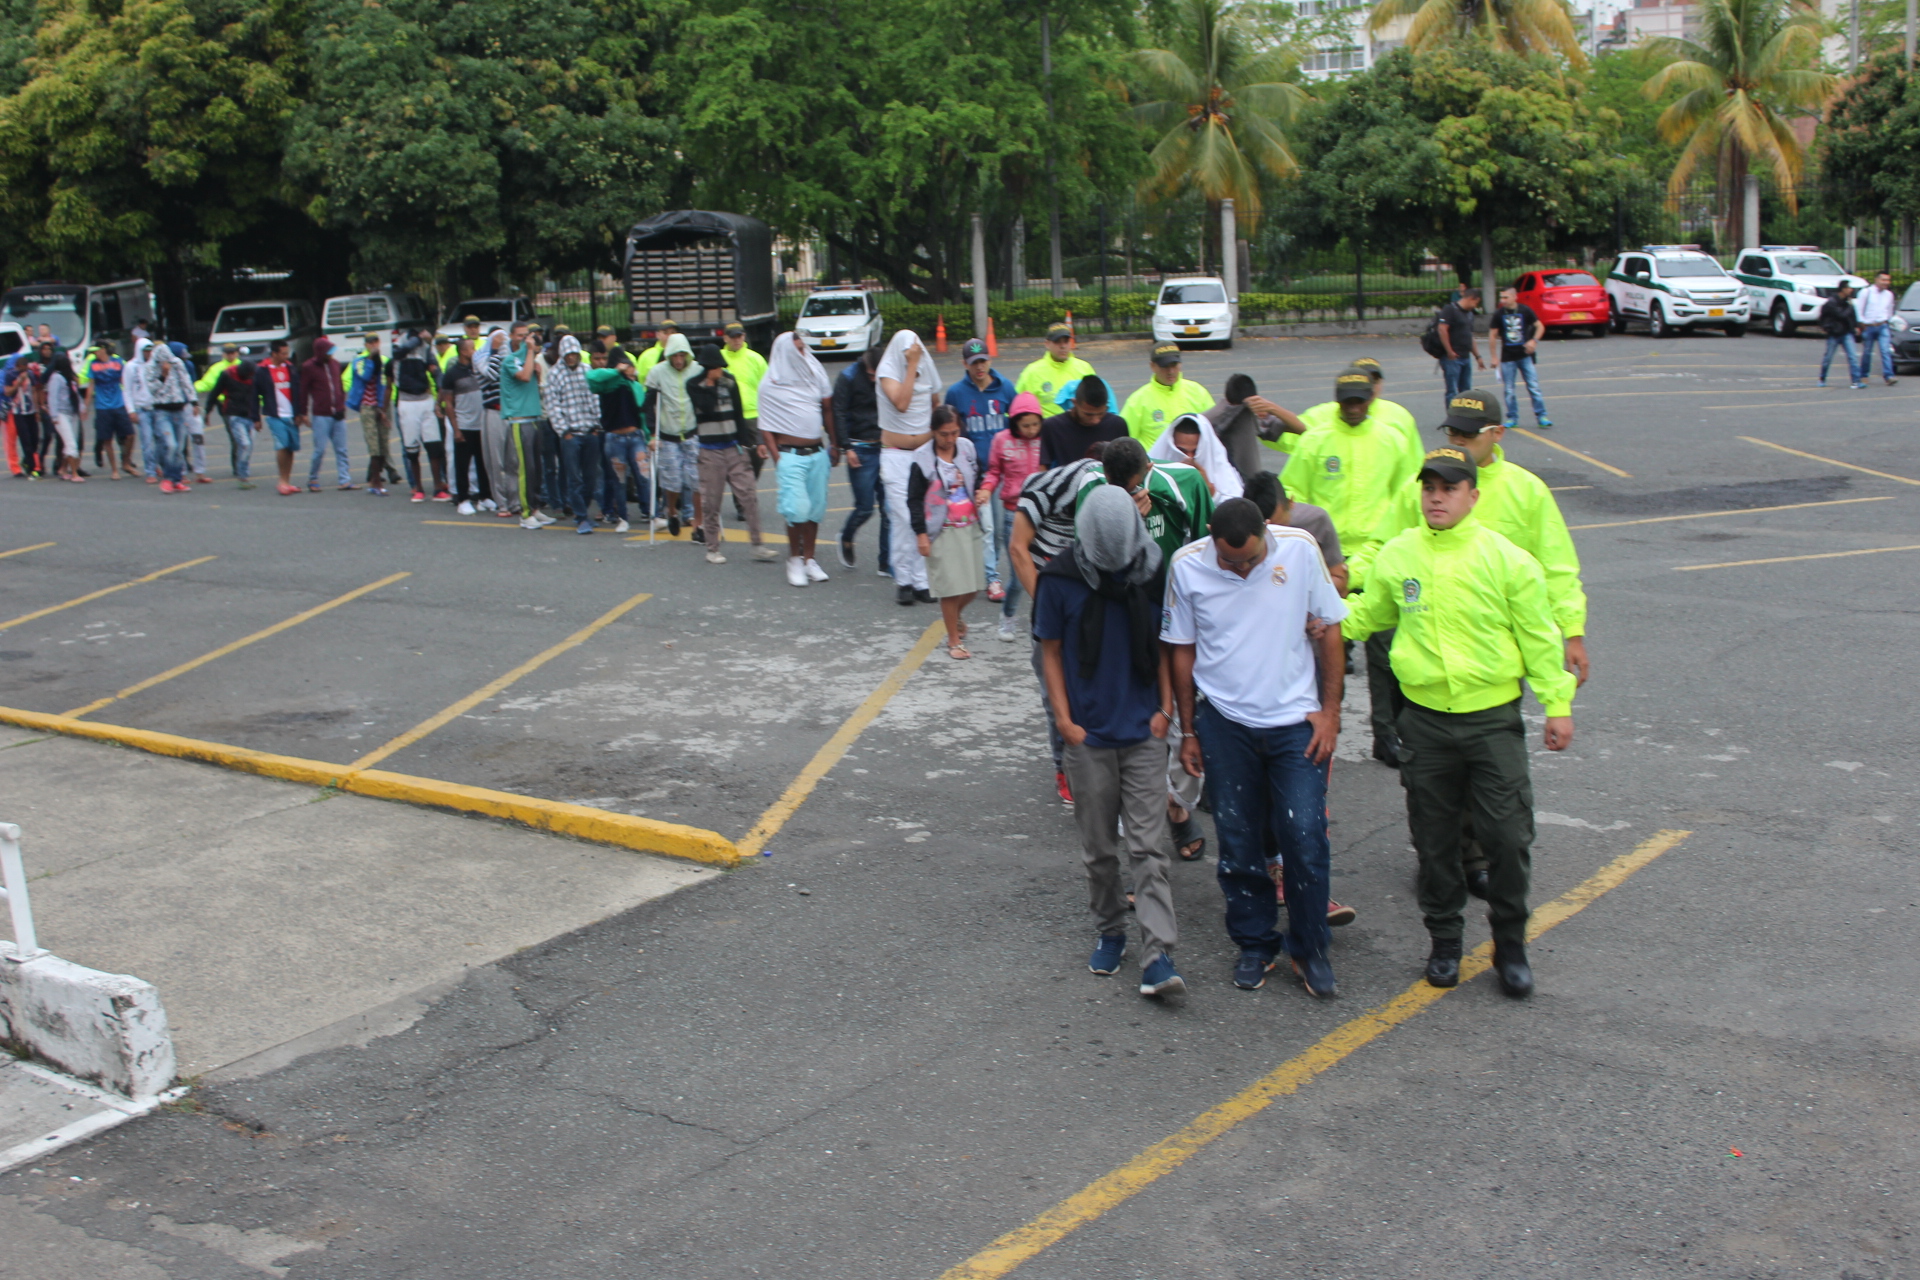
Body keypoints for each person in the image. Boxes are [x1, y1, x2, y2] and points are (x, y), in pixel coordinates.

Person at [1340, 447, 1576, 998]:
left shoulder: (1507, 560)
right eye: (1428, 488)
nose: (1436, 497)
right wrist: (1314, 619)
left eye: (1448, 488)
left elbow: (1539, 637)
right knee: (1434, 839)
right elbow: (1366, 616)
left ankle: (1510, 944)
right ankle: (1444, 941)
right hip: (1423, 722)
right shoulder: (1400, 555)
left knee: (1508, 836)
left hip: (1491, 722)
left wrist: (1557, 703)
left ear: (1473, 494)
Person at [1164, 498, 1348, 997]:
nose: (1243, 569)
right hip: (1225, 723)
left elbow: (1330, 628)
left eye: (1251, 559)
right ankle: (1254, 943)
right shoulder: (1186, 567)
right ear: (1211, 538)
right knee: (1239, 841)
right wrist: (1189, 731)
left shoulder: (1300, 549)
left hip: (1295, 725)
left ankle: (1309, 950)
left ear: (1266, 532)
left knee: (1305, 836)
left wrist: (1330, 713)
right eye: (1231, 561)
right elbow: (1181, 650)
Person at [1035, 483, 1185, 997]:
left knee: (1148, 849)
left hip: (1144, 731)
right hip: (1090, 736)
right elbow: (1049, 652)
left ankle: (1158, 954)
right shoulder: (1060, 579)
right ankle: (1110, 929)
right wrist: (1065, 722)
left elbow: (1167, 643)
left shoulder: (1151, 570)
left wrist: (1165, 709)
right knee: (1099, 850)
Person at [1281, 367, 1424, 766]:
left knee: (1384, 651)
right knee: (1327, 646)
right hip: (1327, 561)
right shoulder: (1316, 440)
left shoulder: (1392, 441)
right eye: (1347, 402)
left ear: (1371, 400)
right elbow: (1292, 494)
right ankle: (1327, 720)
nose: (1354, 408)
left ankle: (1386, 732)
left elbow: (1409, 496)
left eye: (1361, 401)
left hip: (1379, 559)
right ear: (1337, 401)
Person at [1012, 445, 1113, 805]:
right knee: (1055, 694)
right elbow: (1017, 549)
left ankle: (1099, 762)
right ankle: (1064, 768)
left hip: (1094, 613)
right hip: (1054, 612)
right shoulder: (1044, 488)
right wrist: (1048, 609)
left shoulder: (1113, 499)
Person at [757, 330, 839, 587]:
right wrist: (776, 457)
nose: (803, 353)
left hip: (817, 453)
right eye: (798, 350)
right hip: (789, 455)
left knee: (815, 509)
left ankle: (810, 559)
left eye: (804, 348)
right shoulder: (770, 383)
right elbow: (766, 426)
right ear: (785, 352)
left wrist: (834, 443)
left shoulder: (815, 373)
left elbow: (827, 409)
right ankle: (794, 559)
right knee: (796, 509)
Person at [907, 405, 986, 656]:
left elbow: (980, 475)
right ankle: (953, 640)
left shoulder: (967, 448)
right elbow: (914, 499)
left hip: (969, 524)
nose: (950, 439)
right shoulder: (921, 459)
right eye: (944, 434)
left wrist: (982, 490)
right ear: (933, 432)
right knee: (949, 589)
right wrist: (921, 534)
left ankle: (956, 617)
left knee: (972, 587)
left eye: (954, 432)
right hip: (940, 530)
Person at [690, 344, 779, 563]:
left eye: (721, 367)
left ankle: (758, 545)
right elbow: (705, 407)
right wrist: (711, 385)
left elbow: (739, 415)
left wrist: (749, 443)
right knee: (711, 501)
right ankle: (712, 548)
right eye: (716, 368)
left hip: (733, 447)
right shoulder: (694, 385)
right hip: (710, 451)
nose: (721, 371)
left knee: (748, 495)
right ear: (707, 368)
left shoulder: (729, 382)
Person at [944, 337, 1017, 602]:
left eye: (983, 361)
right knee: (985, 527)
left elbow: (1019, 423)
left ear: (990, 360)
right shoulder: (956, 393)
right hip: (974, 474)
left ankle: (988, 570)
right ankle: (991, 577)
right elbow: (950, 430)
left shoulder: (1006, 388)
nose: (979, 368)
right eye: (974, 363)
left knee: (999, 529)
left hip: (1003, 471)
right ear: (965, 363)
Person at [876, 328, 940, 604]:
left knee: (924, 515)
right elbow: (901, 403)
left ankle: (920, 581)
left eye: (915, 351)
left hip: (924, 453)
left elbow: (935, 401)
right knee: (904, 516)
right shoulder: (887, 371)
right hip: (896, 454)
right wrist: (911, 364)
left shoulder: (926, 365)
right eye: (907, 352)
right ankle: (904, 578)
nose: (912, 355)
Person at [977, 392, 1046, 640]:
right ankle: (1008, 616)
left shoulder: (1047, 439)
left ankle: (1044, 622)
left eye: (1035, 425)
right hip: (1014, 515)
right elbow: (994, 471)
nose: (1030, 430)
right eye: (1025, 425)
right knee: (1019, 576)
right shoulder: (1001, 440)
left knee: (1046, 574)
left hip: (1043, 515)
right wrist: (986, 489)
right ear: (1014, 422)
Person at [1244, 470, 1347, 595]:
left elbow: (1339, 580)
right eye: (1265, 531)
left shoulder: (1317, 520)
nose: (1273, 537)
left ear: (1291, 503)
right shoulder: (1237, 529)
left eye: (1280, 527)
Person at [832, 345, 888, 573]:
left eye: (879, 375)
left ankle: (886, 561)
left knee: (890, 509)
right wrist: (847, 447)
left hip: (885, 447)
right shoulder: (848, 377)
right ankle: (846, 536)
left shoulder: (889, 375)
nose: (875, 379)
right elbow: (838, 412)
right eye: (871, 375)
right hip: (860, 447)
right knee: (865, 507)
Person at [544, 335, 603, 534]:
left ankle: (584, 511)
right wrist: (564, 432)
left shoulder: (587, 371)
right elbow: (553, 406)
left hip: (589, 431)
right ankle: (580, 516)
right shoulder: (554, 374)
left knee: (590, 476)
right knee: (573, 477)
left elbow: (595, 398)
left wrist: (597, 425)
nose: (571, 358)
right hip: (571, 434)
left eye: (574, 354)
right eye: (568, 355)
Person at [641, 333, 698, 536]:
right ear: (669, 356)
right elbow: (648, 406)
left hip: (692, 432)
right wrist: (652, 435)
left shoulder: (697, 369)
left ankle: (694, 518)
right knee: (672, 479)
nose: (679, 360)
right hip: (668, 434)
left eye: (683, 355)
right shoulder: (657, 372)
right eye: (675, 356)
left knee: (695, 478)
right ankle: (672, 510)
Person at [585, 353, 648, 534]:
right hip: (614, 438)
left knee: (644, 477)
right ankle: (622, 517)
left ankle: (653, 513)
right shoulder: (607, 385)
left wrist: (649, 437)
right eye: (627, 368)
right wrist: (616, 371)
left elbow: (642, 413)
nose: (631, 371)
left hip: (635, 436)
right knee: (618, 481)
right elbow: (591, 377)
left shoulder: (635, 387)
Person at [499, 323, 551, 527]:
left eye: (527, 336)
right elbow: (523, 376)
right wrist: (530, 352)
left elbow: (535, 382)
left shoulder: (530, 360)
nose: (525, 340)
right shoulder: (510, 361)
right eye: (520, 336)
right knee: (524, 469)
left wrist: (534, 364)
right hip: (519, 421)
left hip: (534, 418)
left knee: (536, 468)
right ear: (511, 337)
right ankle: (525, 513)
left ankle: (535, 507)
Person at [1207, 372, 1301, 480]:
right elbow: (1301, 428)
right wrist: (1272, 408)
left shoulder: (1206, 419)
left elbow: (1300, 428)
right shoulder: (1249, 416)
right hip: (1246, 482)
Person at [390, 329, 449, 500]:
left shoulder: (425, 348)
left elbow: (434, 367)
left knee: (434, 446)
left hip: (425, 399)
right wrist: (418, 339)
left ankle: (438, 487)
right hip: (407, 401)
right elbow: (400, 352)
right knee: (412, 448)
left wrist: (440, 387)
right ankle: (418, 488)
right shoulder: (399, 345)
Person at [1120, 344, 1215, 447]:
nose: (1171, 371)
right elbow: (1123, 440)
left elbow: (1214, 431)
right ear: (1152, 366)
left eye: (1174, 365)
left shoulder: (1198, 392)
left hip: (1192, 461)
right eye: (1165, 366)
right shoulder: (1137, 400)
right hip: (1155, 462)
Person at [439, 338, 492, 513]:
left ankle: (485, 497)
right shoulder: (452, 374)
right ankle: (463, 499)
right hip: (464, 425)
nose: (475, 351)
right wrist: (456, 429)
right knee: (462, 464)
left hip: (481, 424)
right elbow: (448, 403)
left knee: (483, 463)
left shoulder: (478, 370)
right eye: (472, 348)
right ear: (463, 351)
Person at [719, 321, 769, 503]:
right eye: (732, 337)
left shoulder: (755, 358)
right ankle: (741, 499)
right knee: (734, 460)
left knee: (757, 457)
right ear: (725, 338)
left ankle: (746, 487)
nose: (736, 340)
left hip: (753, 415)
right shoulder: (719, 359)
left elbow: (767, 388)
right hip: (728, 416)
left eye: (739, 336)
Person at [1488, 286, 1550, 428]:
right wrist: (1494, 357)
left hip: (1525, 355)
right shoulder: (1499, 314)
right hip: (1508, 357)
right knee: (1509, 389)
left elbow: (1540, 326)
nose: (1502, 300)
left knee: (1533, 386)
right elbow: (1492, 335)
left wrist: (1534, 341)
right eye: (1501, 297)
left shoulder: (1525, 310)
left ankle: (1541, 415)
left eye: (1505, 297)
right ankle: (1512, 417)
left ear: (1514, 297)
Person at [346, 334, 399, 495]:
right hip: (367, 407)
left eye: (376, 341)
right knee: (374, 445)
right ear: (365, 345)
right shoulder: (360, 362)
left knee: (383, 443)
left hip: (382, 406)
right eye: (370, 343)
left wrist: (384, 408)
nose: (373, 345)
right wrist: (371, 359)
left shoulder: (386, 361)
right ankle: (375, 481)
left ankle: (379, 476)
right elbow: (365, 377)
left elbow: (389, 385)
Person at [297, 337, 352, 491]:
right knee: (319, 449)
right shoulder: (309, 367)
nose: (331, 354)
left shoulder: (335, 364)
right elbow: (303, 391)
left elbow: (339, 386)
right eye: (328, 351)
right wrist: (303, 412)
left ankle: (345, 479)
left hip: (338, 413)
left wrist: (342, 405)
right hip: (321, 414)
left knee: (342, 449)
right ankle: (313, 478)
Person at [1038, 375, 1126, 469]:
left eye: (1101, 414)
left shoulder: (1117, 425)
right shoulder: (1053, 427)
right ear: (1075, 403)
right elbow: (1043, 467)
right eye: (1088, 414)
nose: (1095, 420)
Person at [1149, 410, 1242, 499]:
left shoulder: (1224, 472)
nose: (1189, 457)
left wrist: (1211, 493)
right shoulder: (1152, 472)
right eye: (1182, 451)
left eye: (1195, 451)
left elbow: (1234, 505)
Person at [254, 339, 303, 496]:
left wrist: (300, 412)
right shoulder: (261, 370)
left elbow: (298, 391)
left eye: (287, 353)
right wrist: (256, 417)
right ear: (274, 354)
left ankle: (287, 481)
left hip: (291, 414)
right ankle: (281, 481)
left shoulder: (290, 368)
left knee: (291, 448)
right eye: (283, 353)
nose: (286, 356)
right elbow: (254, 395)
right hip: (275, 415)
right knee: (282, 445)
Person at [146, 341, 196, 493]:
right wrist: (163, 375)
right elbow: (152, 389)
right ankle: (168, 478)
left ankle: (177, 479)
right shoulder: (151, 367)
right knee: (170, 444)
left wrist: (193, 401)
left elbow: (186, 382)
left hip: (179, 408)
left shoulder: (177, 363)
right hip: (162, 410)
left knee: (179, 448)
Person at [1015, 322, 1098, 414]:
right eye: (1057, 342)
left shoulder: (1084, 368)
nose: (1063, 346)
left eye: (1066, 341)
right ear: (1047, 344)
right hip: (1047, 426)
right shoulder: (1032, 372)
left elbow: (1097, 400)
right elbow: (1017, 405)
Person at [85, 343, 134, 481]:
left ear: (103, 350)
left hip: (118, 403)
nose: (95, 354)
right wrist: (86, 406)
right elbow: (91, 384)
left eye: (97, 351)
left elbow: (124, 381)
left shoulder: (117, 362)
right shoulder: (93, 365)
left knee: (130, 434)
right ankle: (114, 469)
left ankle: (126, 462)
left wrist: (131, 399)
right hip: (102, 406)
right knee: (107, 439)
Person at [475, 328, 511, 515]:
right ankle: (502, 503)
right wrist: (495, 351)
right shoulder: (481, 358)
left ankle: (515, 502)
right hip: (494, 412)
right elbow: (490, 374)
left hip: (512, 412)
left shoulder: (510, 358)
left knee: (513, 461)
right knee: (496, 461)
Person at [212, 357, 260, 490]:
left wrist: (258, 418)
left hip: (250, 415)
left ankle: (243, 471)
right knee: (244, 444)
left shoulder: (255, 377)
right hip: (233, 414)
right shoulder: (228, 375)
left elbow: (261, 394)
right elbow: (215, 392)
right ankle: (242, 475)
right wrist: (208, 410)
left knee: (250, 446)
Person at [41, 351, 83, 482]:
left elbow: (76, 394)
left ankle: (63, 469)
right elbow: (52, 398)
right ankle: (74, 473)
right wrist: (53, 416)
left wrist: (82, 408)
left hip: (72, 412)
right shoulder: (56, 378)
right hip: (61, 414)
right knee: (71, 444)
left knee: (70, 442)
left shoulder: (70, 377)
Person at [1436, 287, 1483, 404]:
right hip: (1452, 358)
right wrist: (1449, 351)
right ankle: (1452, 419)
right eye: (1476, 303)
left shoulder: (1469, 314)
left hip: (1465, 357)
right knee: (1452, 391)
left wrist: (1477, 356)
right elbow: (1442, 329)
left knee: (1466, 391)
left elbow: (1469, 336)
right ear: (1471, 299)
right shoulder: (1450, 309)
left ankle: (1463, 417)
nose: (1475, 306)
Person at [1817, 283, 1864, 390]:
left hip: (1846, 332)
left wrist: (1855, 326)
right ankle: (1822, 378)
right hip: (1834, 333)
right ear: (1842, 289)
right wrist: (1850, 307)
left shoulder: (1848, 302)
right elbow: (1841, 315)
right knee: (1828, 357)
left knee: (1853, 357)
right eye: (1848, 288)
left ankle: (1856, 380)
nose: (1851, 290)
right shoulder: (1832, 302)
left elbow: (1852, 316)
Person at [1858, 270, 1899, 387]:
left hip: (1883, 325)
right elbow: (1859, 308)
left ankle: (1889, 375)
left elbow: (1890, 310)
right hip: (1869, 326)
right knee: (1867, 352)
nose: (1886, 282)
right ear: (1876, 280)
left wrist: (1889, 321)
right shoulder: (1866, 292)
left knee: (1885, 350)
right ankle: (1864, 374)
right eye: (1883, 280)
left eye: (1888, 280)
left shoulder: (1889, 294)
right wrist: (1862, 323)